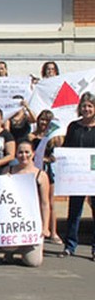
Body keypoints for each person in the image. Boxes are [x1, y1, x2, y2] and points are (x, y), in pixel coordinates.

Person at [60, 92, 95, 259]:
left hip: (93, 175)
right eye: (84, 106)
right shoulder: (74, 126)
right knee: (74, 211)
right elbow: (66, 148)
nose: (86, 109)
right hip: (76, 177)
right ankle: (70, 245)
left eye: (90, 106)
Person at [28, 109, 63, 244]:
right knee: (35, 201)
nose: (43, 123)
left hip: (48, 172)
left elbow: (58, 154)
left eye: (47, 121)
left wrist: (49, 159)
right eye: (41, 119)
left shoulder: (54, 138)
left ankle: (53, 232)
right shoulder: (31, 137)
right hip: (34, 171)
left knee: (50, 202)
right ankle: (37, 229)